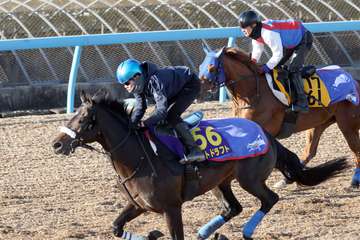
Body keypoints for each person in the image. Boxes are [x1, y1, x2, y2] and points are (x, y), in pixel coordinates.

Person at [116, 59, 205, 163]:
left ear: (136, 76)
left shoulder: (155, 81)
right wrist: (131, 123)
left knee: (171, 115)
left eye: (126, 82)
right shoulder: (138, 84)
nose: (125, 86)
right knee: (156, 117)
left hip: (190, 85)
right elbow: (141, 108)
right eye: (123, 84)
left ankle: (195, 150)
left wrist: (145, 123)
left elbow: (162, 111)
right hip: (173, 89)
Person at [238, 10, 313, 113]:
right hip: (289, 43)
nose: (243, 31)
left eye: (245, 28)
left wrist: (265, 68)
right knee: (276, 67)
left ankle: (302, 103)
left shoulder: (268, 32)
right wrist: (252, 63)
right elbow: (257, 50)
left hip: (303, 39)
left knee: (293, 69)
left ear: (254, 25)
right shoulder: (256, 34)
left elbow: (278, 54)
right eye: (241, 28)